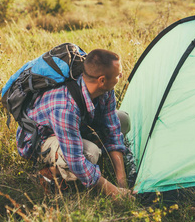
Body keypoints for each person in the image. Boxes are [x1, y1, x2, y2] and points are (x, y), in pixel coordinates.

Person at [16, 49, 133, 200]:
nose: (121, 76)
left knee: (123, 119)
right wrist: (115, 192)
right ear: (102, 80)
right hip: (40, 140)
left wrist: (121, 181)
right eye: (118, 74)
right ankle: (50, 174)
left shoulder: (105, 90)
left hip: (70, 127)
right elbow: (76, 160)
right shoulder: (65, 107)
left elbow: (113, 127)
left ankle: (86, 147)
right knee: (90, 153)